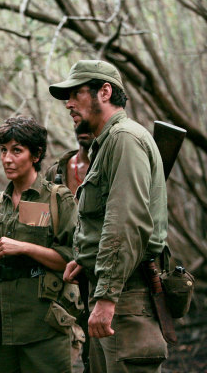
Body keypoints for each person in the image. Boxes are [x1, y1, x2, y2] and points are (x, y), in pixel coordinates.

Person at [52, 60, 169, 372]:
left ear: (104, 92)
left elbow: (125, 223)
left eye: (75, 94)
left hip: (125, 300)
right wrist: (87, 258)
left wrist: (106, 297)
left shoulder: (123, 139)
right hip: (118, 295)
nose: (69, 104)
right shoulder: (109, 143)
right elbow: (107, 220)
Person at [0, 117, 78, 373]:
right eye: (4, 150)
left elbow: (72, 259)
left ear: (36, 154)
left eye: (17, 150)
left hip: (41, 322)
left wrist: (25, 248)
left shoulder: (56, 199)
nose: (7, 158)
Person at [45, 124, 94, 196]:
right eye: (78, 121)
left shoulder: (111, 169)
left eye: (90, 121)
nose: (83, 127)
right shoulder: (55, 172)